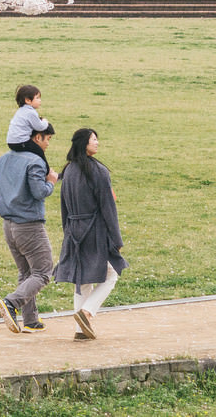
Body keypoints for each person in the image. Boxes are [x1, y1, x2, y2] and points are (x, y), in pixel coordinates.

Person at [53, 127, 127, 341]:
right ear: (83, 143)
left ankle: (80, 331)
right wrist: (116, 238)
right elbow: (108, 208)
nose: (97, 143)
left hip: (73, 230)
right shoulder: (99, 172)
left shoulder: (68, 171)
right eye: (93, 139)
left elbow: (63, 206)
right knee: (111, 274)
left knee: (81, 279)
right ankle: (86, 312)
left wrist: (67, 230)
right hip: (94, 231)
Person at [0, 123, 58, 334]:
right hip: (29, 224)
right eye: (47, 139)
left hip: (8, 224)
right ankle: (10, 303)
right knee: (43, 272)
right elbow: (39, 192)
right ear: (37, 138)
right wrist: (52, 182)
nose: (48, 145)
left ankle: (30, 319)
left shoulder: (3, 159)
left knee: (26, 272)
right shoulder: (35, 161)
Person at [6, 84, 48, 152]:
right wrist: (45, 121)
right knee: (39, 151)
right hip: (21, 142)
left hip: (11, 142)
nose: (40, 100)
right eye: (37, 98)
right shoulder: (31, 112)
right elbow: (40, 127)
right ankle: (43, 163)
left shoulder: (20, 111)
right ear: (28, 100)